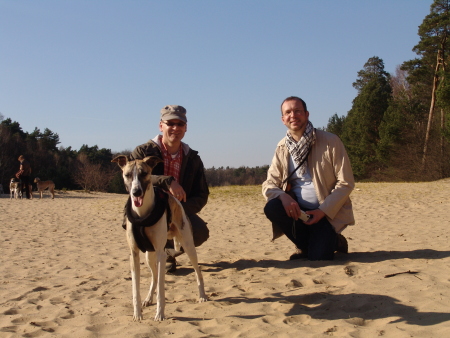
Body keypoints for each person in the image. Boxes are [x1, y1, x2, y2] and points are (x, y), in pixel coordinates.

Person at [262, 96, 355, 261]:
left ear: (306, 114)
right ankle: (306, 245)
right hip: (299, 213)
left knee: (319, 257)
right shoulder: (282, 147)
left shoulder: (330, 141)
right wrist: (283, 196)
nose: (293, 115)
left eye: (298, 111)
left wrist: (322, 211)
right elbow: (269, 184)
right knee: (272, 207)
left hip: (326, 214)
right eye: (288, 112)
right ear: (283, 119)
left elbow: (346, 183)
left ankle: (334, 241)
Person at [126, 105, 209, 273]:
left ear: (186, 128)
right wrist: (167, 181)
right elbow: (132, 182)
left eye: (180, 124)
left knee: (200, 232)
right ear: (161, 125)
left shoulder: (193, 158)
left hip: (178, 210)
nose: (175, 128)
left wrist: (178, 211)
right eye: (170, 123)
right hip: (148, 212)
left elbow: (202, 194)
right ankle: (160, 253)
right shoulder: (142, 152)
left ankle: (169, 253)